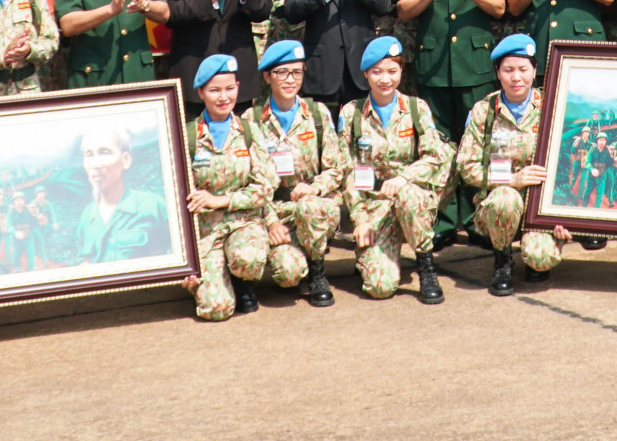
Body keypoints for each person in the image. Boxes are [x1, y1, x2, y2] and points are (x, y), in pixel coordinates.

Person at [397, 0, 508, 245]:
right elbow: (403, 10)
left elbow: (501, 7)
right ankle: (445, 222)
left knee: (476, 145)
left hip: (475, 65)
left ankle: (477, 220)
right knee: (439, 147)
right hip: (433, 65)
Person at [338, 38, 452, 303]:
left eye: (392, 71)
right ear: (365, 73)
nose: (385, 79)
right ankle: (371, 256)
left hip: (412, 199)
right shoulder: (351, 113)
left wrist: (404, 178)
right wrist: (360, 219)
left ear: (402, 71)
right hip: (375, 204)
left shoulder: (416, 108)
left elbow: (435, 156)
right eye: (377, 72)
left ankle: (425, 264)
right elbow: (346, 170)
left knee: (409, 196)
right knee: (380, 288)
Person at [458, 34, 570, 295]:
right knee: (506, 199)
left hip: (540, 204)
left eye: (523, 69)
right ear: (498, 73)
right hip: (499, 203)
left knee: (540, 260)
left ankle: (537, 247)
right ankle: (503, 259)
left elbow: (568, 162)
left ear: (534, 71)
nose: (516, 77)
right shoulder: (483, 110)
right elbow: (466, 166)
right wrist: (511, 179)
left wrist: (564, 213)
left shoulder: (552, 105)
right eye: (508, 70)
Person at [241, 41, 347, 307]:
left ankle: (317, 270)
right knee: (287, 274)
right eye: (282, 73)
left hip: (310, 206)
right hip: (272, 207)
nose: (290, 80)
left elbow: (337, 167)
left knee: (310, 206)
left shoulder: (317, 114)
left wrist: (316, 187)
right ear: (267, 76)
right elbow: (246, 181)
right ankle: (269, 262)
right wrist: (271, 221)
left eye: (297, 72)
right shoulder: (250, 121)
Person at [181, 54, 277, 321]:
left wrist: (221, 200)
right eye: (214, 90)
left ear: (238, 87)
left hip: (244, 222)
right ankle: (213, 280)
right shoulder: (186, 135)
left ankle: (241, 279)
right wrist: (183, 260)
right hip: (206, 232)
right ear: (200, 92)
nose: (223, 97)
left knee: (246, 258)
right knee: (215, 310)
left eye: (229, 89)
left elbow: (266, 187)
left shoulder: (249, 131)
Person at [73, 121, 173, 263]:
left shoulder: (153, 206)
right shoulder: (87, 216)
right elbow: (84, 263)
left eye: (104, 152)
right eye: (89, 154)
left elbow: (183, 252)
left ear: (126, 159)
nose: (95, 164)